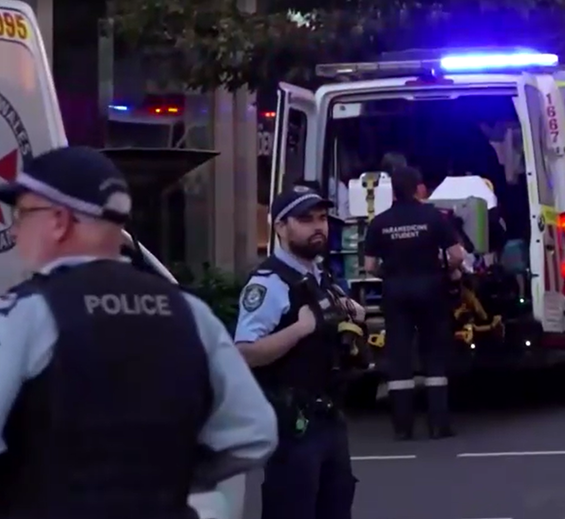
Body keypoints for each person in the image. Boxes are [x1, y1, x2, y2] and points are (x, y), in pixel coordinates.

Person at [0, 146, 278, 519]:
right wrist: (171, 482)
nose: (15, 229)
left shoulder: (28, 312)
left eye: (22, 214)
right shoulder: (190, 312)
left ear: (59, 221)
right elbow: (254, 433)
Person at [234, 185, 365, 519]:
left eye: (322, 218)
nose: (318, 226)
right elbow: (245, 352)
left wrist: (349, 311)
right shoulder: (268, 283)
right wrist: (299, 329)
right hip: (294, 425)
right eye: (305, 219)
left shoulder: (319, 276)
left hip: (330, 416)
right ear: (280, 227)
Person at [363, 166, 466, 440]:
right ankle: (439, 424)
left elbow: (370, 265)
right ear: (418, 187)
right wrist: (443, 269)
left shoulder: (380, 222)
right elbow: (456, 255)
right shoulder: (433, 217)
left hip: (396, 292)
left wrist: (390, 274)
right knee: (434, 353)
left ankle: (403, 427)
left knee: (399, 356)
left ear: (392, 190)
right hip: (431, 288)